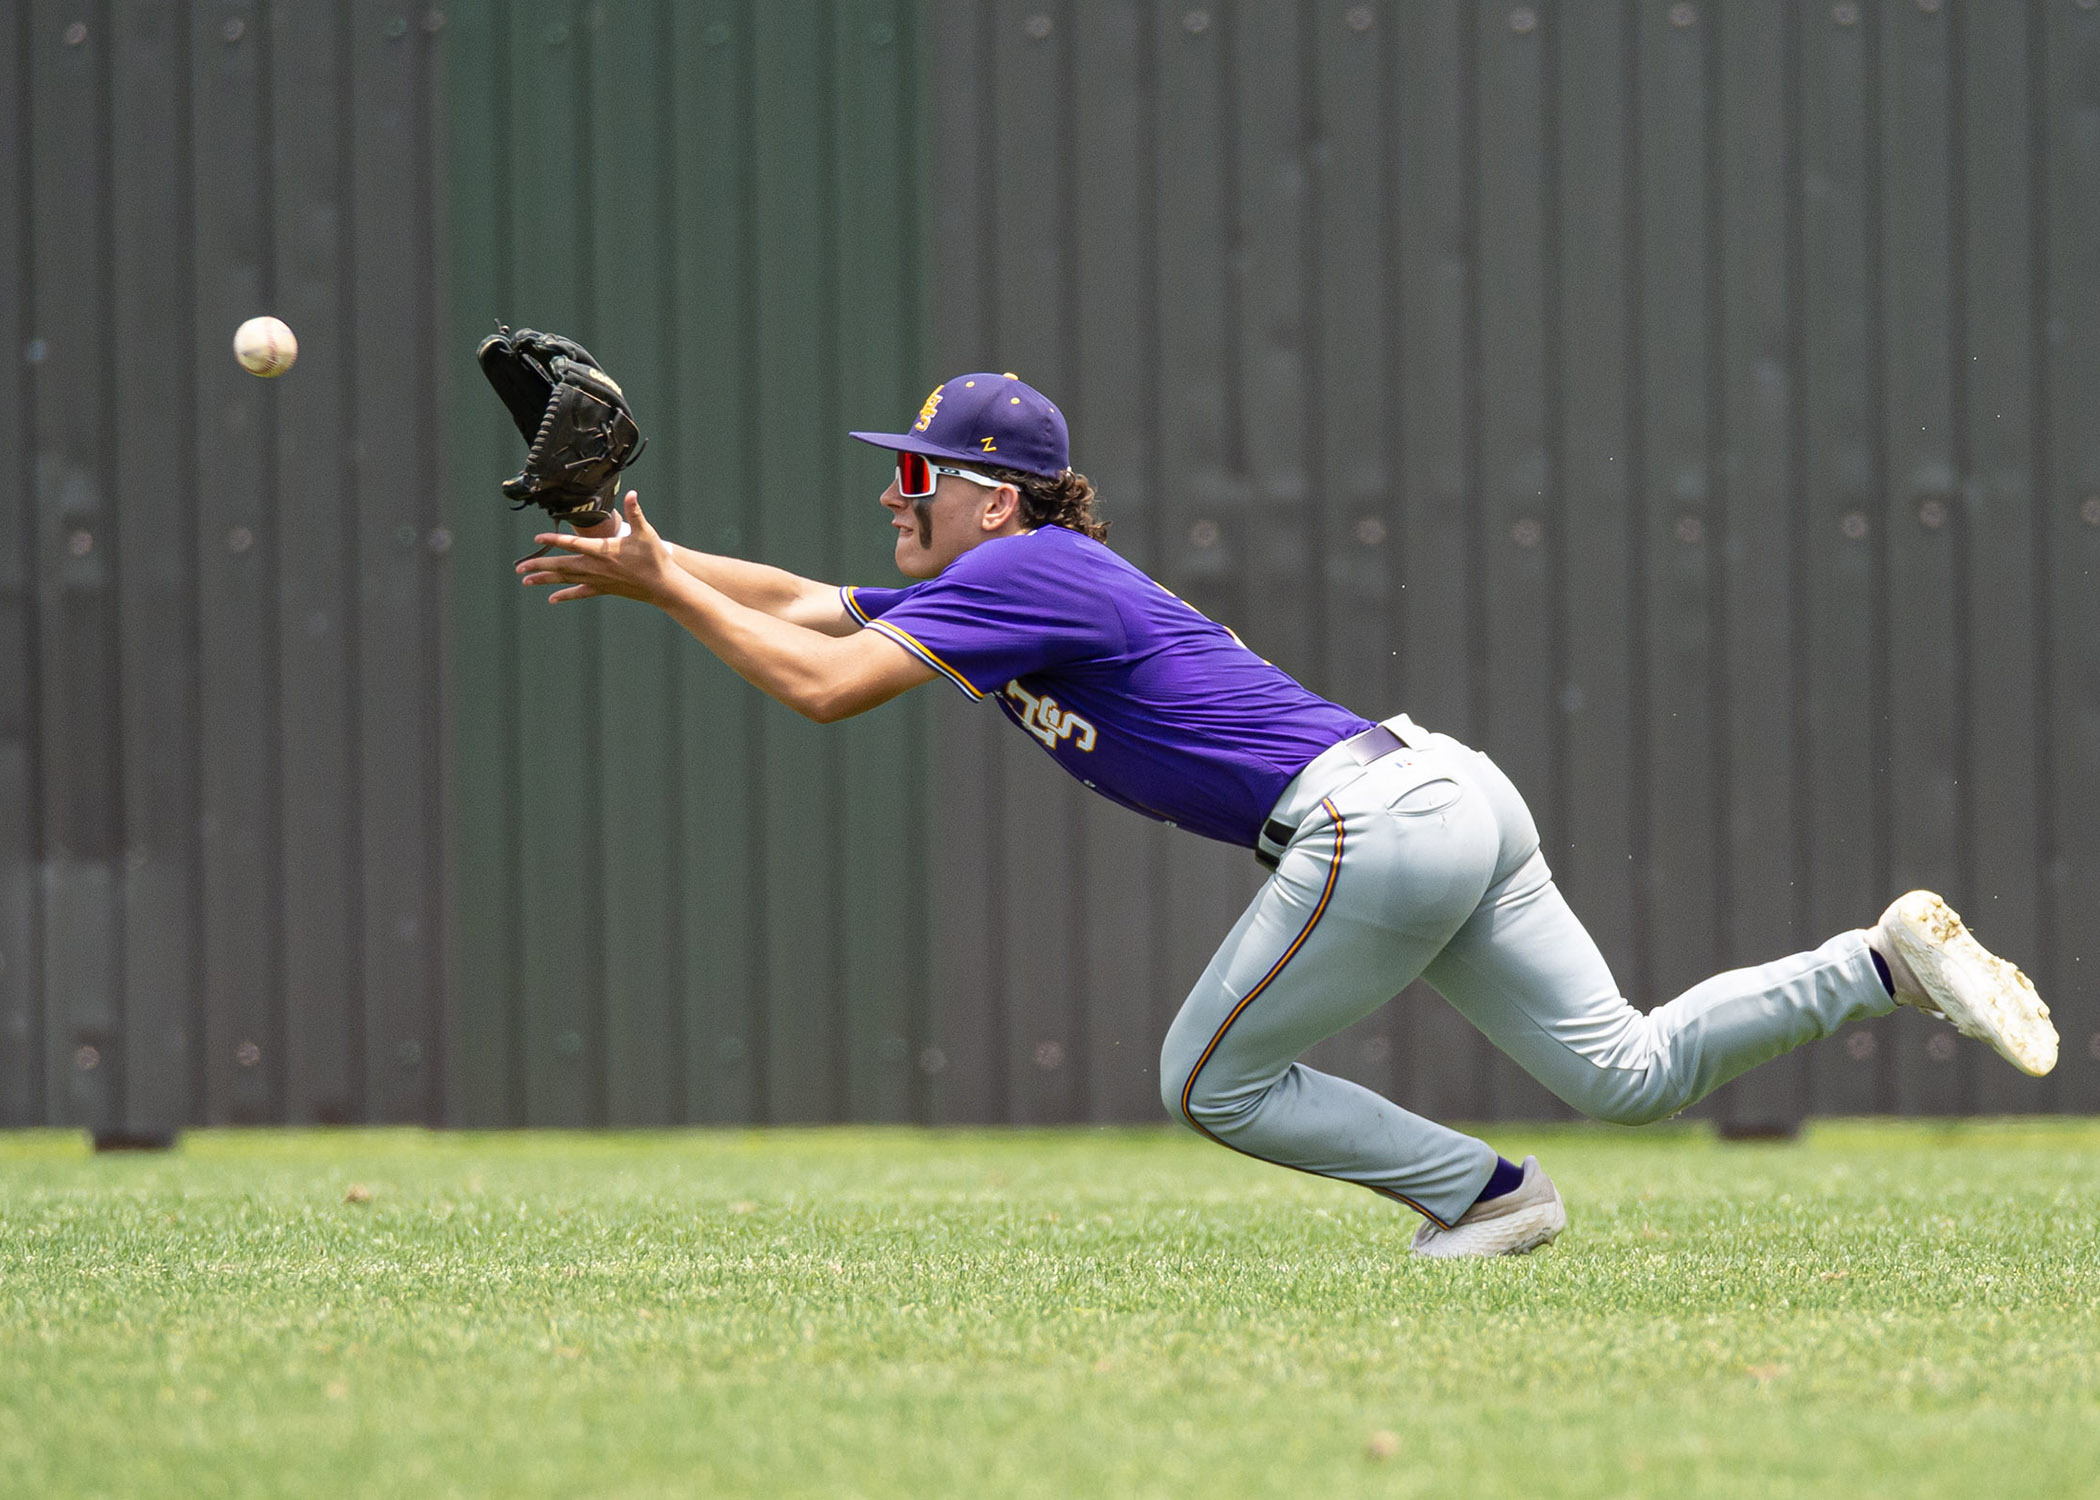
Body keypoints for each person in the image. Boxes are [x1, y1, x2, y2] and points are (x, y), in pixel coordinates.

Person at [518, 373, 2058, 1257]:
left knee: (1205, 1077)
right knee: (1632, 1071)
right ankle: (1881, 965)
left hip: (1368, 824)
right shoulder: (1014, 580)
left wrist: (656, 585)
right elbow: (798, 603)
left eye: (915, 469)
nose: (891, 492)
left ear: (996, 494)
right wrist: (646, 555)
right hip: (1447, 795)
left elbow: (820, 688)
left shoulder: (1019, 573)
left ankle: (1487, 1195)